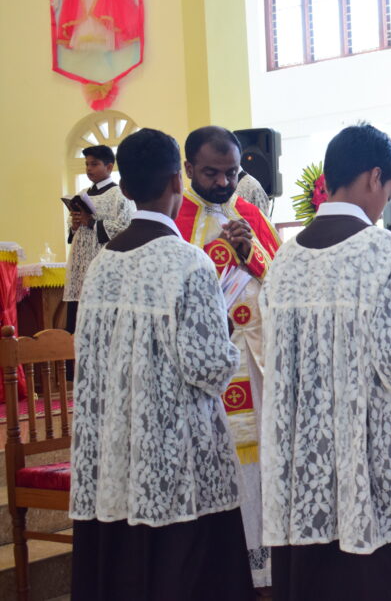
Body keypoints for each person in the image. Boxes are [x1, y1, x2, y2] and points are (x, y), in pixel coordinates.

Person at [261, 124, 391, 600]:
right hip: (374, 471)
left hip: (308, 466)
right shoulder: (383, 251)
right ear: (375, 178)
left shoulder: (284, 260)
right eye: (389, 191)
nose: (383, 206)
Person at [70, 128, 253, 600]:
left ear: (125, 188)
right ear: (179, 179)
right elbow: (211, 369)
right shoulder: (189, 263)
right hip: (178, 468)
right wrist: (228, 336)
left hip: (115, 459)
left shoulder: (101, 266)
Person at [174, 125, 280, 588]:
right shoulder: (175, 220)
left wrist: (249, 251)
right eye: (211, 173)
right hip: (208, 370)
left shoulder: (251, 215)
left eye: (231, 173)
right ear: (189, 169)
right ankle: (229, 567)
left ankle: (268, 564)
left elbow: (281, 281)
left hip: (256, 364)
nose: (222, 183)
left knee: (260, 462)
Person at [64, 145, 134, 333]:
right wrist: (75, 225)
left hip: (105, 267)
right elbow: (75, 231)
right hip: (81, 269)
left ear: (109, 167)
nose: (88, 169)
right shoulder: (82, 195)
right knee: (77, 328)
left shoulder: (120, 194)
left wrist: (93, 223)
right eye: (87, 164)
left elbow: (127, 229)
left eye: (94, 164)